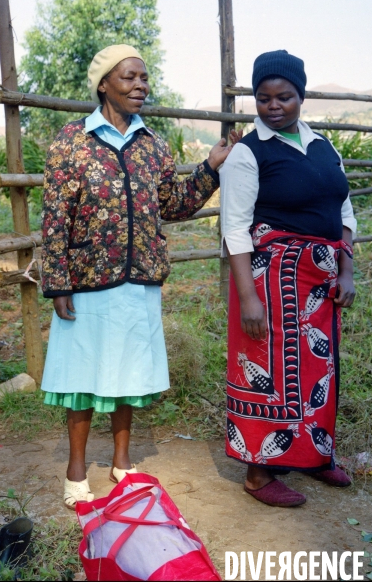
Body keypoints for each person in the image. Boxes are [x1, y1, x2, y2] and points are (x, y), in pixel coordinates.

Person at [40, 44, 239, 508]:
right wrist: (58, 280)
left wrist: (210, 168)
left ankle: (123, 462)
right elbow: (54, 217)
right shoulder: (72, 141)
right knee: (82, 374)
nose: (140, 85)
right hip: (89, 277)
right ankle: (75, 469)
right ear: (104, 83)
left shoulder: (153, 144)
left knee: (126, 371)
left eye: (144, 78)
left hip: (139, 276)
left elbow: (174, 204)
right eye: (129, 77)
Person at [220, 49, 357, 507]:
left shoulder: (323, 147)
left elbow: (342, 208)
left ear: (302, 96)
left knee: (319, 368)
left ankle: (316, 456)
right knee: (272, 372)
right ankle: (260, 473)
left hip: (320, 280)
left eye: (284, 97)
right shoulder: (248, 152)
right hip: (270, 279)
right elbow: (234, 226)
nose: (273, 106)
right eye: (263, 98)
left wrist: (347, 270)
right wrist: (248, 299)